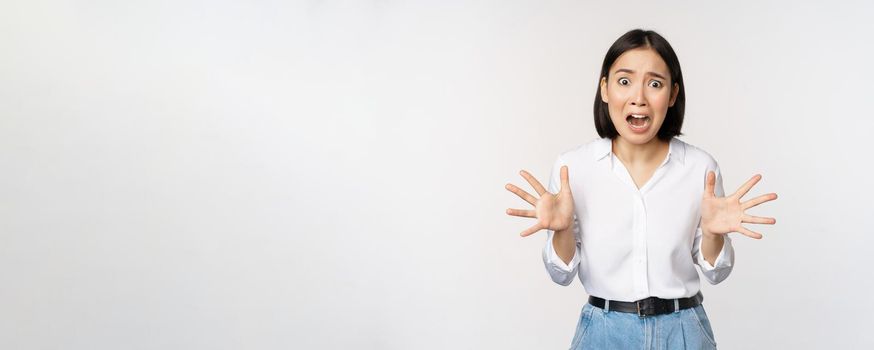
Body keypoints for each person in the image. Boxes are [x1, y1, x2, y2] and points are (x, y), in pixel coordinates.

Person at [504, 29, 778, 349]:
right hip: (603, 332)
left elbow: (716, 273)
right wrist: (562, 230)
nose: (639, 97)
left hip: (683, 330)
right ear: (605, 89)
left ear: (672, 95)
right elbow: (561, 275)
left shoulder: (700, 168)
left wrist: (714, 234)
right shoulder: (573, 168)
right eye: (624, 81)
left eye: (655, 83)